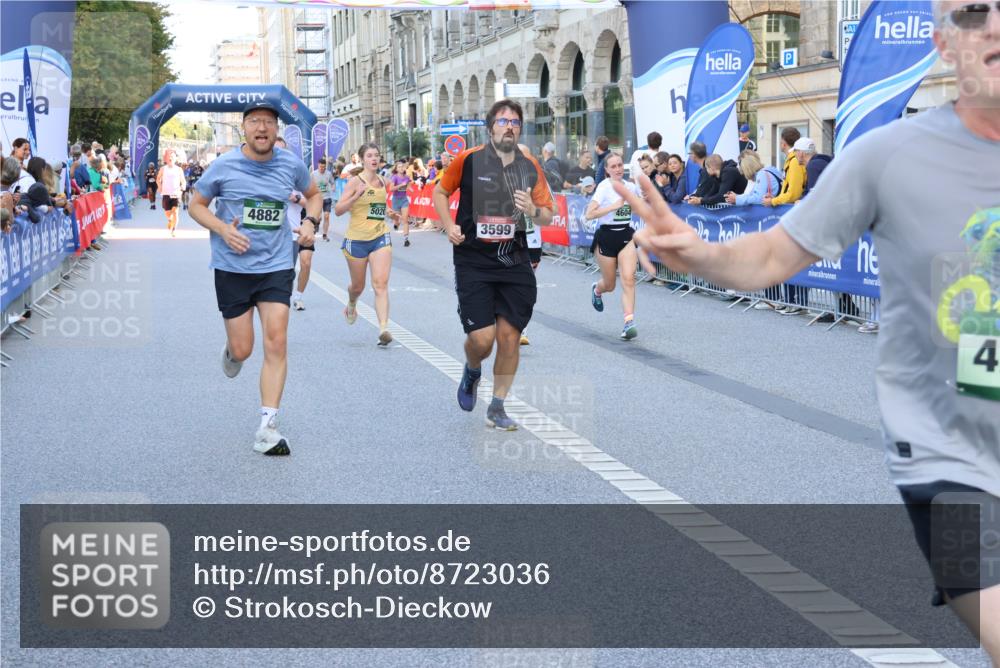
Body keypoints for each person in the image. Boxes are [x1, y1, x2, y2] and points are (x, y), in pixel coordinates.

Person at [618, 1, 1000, 658]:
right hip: (955, 466)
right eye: (973, 12)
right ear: (942, 43)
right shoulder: (888, 156)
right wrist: (702, 252)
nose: (994, 25)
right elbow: (773, 255)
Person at [189, 100, 322, 456]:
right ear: (244, 128)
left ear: (276, 130)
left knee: (276, 341)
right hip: (232, 267)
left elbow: (314, 195)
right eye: (254, 122)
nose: (261, 128)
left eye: (268, 122)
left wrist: (311, 222)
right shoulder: (224, 166)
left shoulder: (290, 164)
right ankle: (233, 352)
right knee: (244, 349)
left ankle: (268, 426)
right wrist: (222, 229)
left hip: (276, 265)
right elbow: (196, 205)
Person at [433, 99, 554, 430]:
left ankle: (497, 406)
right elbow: (440, 192)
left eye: (515, 122)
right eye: (503, 121)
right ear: (490, 128)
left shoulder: (529, 165)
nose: (509, 127)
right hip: (473, 259)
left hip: (514, 259)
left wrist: (532, 210)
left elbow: (548, 214)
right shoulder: (468, 160)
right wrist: (449, 225)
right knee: (483, 340)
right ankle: (473, 368)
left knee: (510, 337)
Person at [334, 143, 395, 346]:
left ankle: (384, 328)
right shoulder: (355, 182)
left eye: (376, 155)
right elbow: (338, 210)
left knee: (380, 284)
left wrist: (389, 212)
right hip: (357, 240)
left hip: (380, 237)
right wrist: (356, 195)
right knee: (358, 286)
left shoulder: (383, 181)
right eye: (369, 155)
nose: (374, 159)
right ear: (362, 159)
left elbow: (378, 207)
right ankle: (352, 302)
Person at [586, 153, 644, 340]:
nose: (618, 169)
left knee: (629, 279)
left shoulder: (630, 187)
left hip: (626, 235)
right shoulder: (604, 188)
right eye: (614, 166)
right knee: (609, 285)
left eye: (620, 165)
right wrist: (613, 207)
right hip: (606, 236)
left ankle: (629, 322)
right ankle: (597, 289)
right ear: (607, 170)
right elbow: (589, 214)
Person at [765, 127, 808, 313]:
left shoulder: (795, 161)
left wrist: (774, 201)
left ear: (783, 142)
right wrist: (776, 198)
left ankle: (798, 301)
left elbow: (793, 193)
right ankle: (790, 299)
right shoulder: (791, 160)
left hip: (793, 215)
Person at [156, 149, 186, 237]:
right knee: (168, 213)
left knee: (175, 212)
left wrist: (182, 187)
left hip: (176, 193)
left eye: (172, 156)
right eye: (169, 156)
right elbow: (158, 179)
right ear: (166, 159)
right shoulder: (163, 169)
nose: (170, 158)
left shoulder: (179, 169)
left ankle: (174, 230)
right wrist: (159, 186)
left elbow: (183, 181)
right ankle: (170, 219)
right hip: (166, 193)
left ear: (175, 158)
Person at [388, 160, 412, 247]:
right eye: (399, 167)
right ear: (396, 169)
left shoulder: (407, 177)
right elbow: (391, 189)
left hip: (404, 199)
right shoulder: (394, 177)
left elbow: (409, 186)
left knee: (405, 219)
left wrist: (410, 188)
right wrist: (400, 185)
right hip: (396, 200)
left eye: (402, 167)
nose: (401, 168)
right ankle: (396, 224)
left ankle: (406, 239)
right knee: (396, 219)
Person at [311, 159, 334, 241]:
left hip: (327, 197)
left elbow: (332, 183)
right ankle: (316, 224)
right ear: (318, 165)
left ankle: (325, 234)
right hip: (317, 198)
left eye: (324, 167)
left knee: (326, 216)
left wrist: (333, 187)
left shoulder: (328, 173)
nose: (322, 168)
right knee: (319, 217)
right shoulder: (313, 174)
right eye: (321, 167)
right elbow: (309, 184)